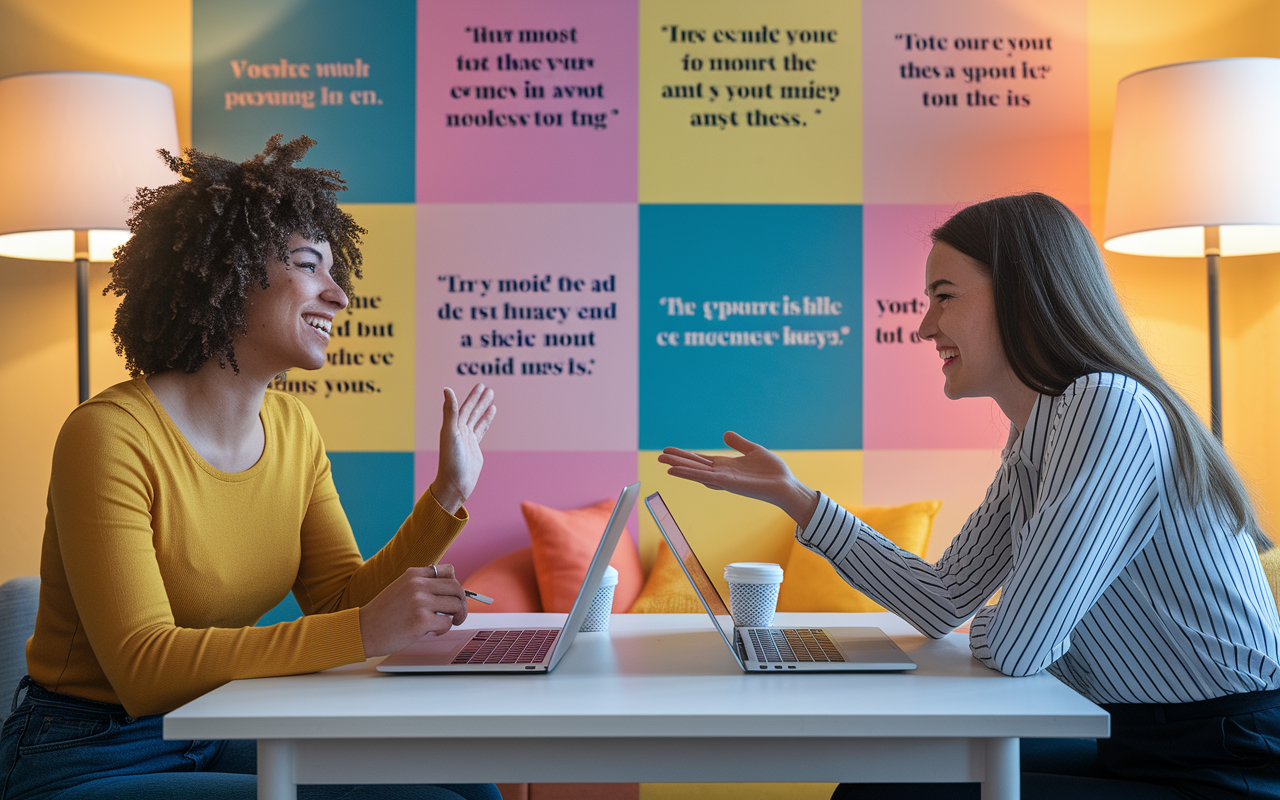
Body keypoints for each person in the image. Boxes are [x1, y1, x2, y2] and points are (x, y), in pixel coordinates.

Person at [660, 192, 1280, 800]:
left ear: (1022, 297)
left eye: (944, 297)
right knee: (878, 780)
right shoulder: (1039, 431)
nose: (926, 325)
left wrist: (1003, 627)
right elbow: (942, 601)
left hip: (1224, 760)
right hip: (1138, 741)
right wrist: (797, 498)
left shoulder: (1105, 407)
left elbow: (1019, 646)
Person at [0, 135, 500, 800]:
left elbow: (339, 602)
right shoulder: (108, 436)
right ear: (230, 274)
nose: (338, 296)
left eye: (335, 271)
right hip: (88, 752)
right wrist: (362, 630)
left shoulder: (293, 431)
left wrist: (446, 495)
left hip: (214, 724)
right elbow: (144, 670)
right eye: (308, 266)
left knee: (463, 781)